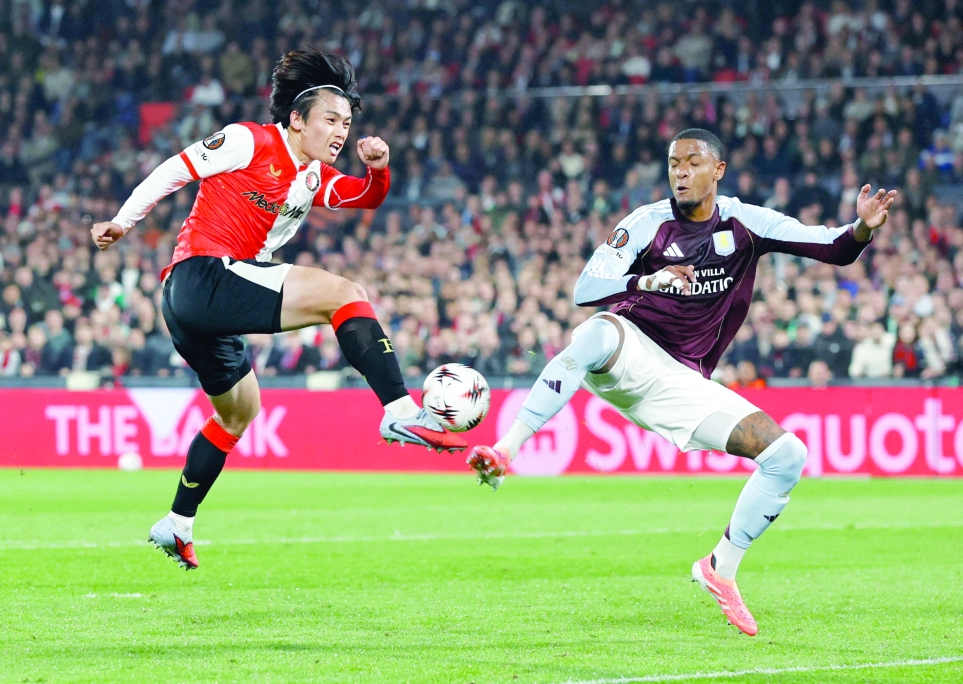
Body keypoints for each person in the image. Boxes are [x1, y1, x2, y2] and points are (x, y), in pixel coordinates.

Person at [467, 129, 896, 637]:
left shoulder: (746, 222)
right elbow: (587, 288)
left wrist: (863, 229)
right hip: (631, 345)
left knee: (787, 456)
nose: (680, 173)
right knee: (593, 333)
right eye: (674, 164)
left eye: (693, 163)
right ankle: (505, 451)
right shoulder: (647, 222)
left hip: (683, 381)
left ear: (718, 170)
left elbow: (833, 247)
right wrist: (646, 280)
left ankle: (721, 567)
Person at [91, 49, 466, 571]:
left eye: (348, 123)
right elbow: (172, 172)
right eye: (331, 120)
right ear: (296, 119)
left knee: (240, 412)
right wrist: (122, 222)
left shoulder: (314, 176)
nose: (341, 132)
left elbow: (366, 198)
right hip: (203, 276)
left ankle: (176, 523)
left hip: (202, 309)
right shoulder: (249, 139)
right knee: (345, 292)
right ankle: (400, 412)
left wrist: (377, 169)